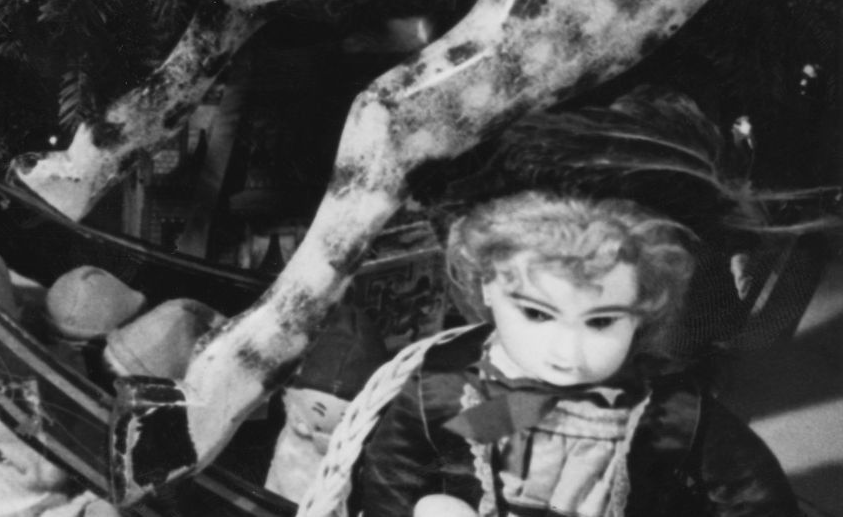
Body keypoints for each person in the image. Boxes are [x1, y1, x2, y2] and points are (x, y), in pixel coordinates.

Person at [303, 93, 797, 517]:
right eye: (537, 313)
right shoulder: (452, 387)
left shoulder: (663, 408)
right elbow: (397, 472)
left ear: (645, 308)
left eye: (602, 321)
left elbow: (752, 493)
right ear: (489, 288)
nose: (568, 351)